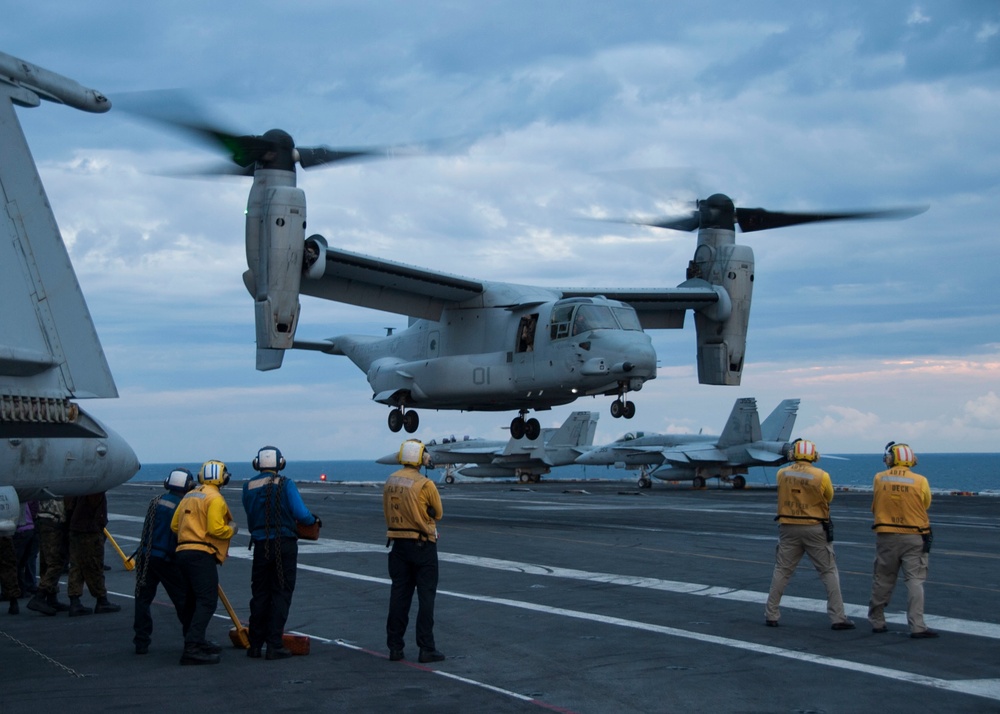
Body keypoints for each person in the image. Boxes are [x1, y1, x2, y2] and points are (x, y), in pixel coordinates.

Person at [764, 439, 854, 630]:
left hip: (788, 527)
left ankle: (771, 614)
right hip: (815, 528)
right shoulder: (821, 475)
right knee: (828, 571)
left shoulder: (782, 473)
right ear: (813, 455)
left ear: (792, 455)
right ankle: (838, 617)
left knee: (782, 571)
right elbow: (829, 497)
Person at [242, 445, 319, 660]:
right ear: (280, 463)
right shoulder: (286, 484)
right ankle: (274, 644)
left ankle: (255, 645)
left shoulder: (248, 486)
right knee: (281, 593)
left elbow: (249, 512)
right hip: (283, 544)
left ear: (257, 464)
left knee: (260, 594)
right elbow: (301, 514)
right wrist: (314, 520)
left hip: (260, 545)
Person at [383, 439, 445, 663]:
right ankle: (426, 648)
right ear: (420, 458)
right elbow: (438, 513)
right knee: (426, 597)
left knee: (399, 596)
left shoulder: (391, 480)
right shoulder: (425, 484)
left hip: (398, 545)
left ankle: (395, 647)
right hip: (422, 545)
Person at [171, 460, 238, 665]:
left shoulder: (190, 495)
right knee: (207, 601)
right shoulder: (215, 498)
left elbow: (175, 525)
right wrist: (232, 529)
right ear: (221, 477)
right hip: (201, 554)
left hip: (182, 552)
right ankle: (192, 647)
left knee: (192, 601)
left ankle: (195, 641)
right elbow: (216, 529)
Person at [868, 442, 937, 638]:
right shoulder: (920, 480)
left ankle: (877, 621)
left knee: (883, 579)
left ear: (890, 459)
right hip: (914, 536)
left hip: (886, 536)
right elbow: (926, 503)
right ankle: (917, 626)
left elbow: (877, 503)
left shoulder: (879, 478)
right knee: (915, 581)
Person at [133, 468, 198, 655]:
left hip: (146, 556)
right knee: (183, 600)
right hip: (167, 560)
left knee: (142, 599)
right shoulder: (183, 505)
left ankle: (141, 642)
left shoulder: (156, 501)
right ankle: (192, 639)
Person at [64, 492, 121, 616]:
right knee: (95, 566)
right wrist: (100, 524)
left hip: (76, 528)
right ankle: (101, 600)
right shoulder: (95, 489)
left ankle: (74, 601)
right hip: (89, 530)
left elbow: (69, 506)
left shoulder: (78, 489)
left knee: (76, 566)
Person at [26, 498, 71, 615]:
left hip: (45, 517)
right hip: (53, 519)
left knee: (46, 561)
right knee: (56, 562)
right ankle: (40, 596)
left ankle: (51, 597)